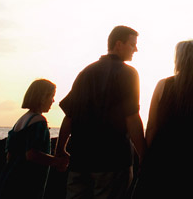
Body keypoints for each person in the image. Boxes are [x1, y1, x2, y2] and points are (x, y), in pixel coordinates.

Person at [56, 25, 146, 199]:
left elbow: (69, 116)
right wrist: (143, 155)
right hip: (112, 161)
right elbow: (132, 117)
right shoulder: (128, 73)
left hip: (80, 161)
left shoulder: (86, 72)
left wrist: (60, 149)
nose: (136, 49)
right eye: (132, 44)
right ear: (118, 44)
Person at [135, 40, 193, 199]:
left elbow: (151, 126)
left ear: (178, 60)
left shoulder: (162, 85)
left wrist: (144, 156)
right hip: (189, 154)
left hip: (160, 151)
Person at [0, 79, 68, 199]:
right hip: (27, 184)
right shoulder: (39, 121)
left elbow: (9, 155)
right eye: (51, 96)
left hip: (10, 179)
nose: (53, 101)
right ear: (43, 98)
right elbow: (32, 154)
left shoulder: (21, 120)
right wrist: (57, 162)